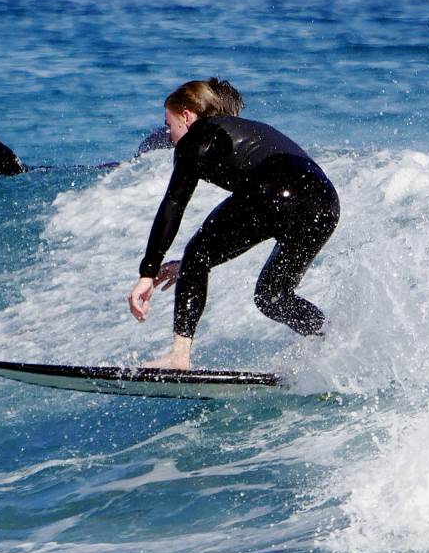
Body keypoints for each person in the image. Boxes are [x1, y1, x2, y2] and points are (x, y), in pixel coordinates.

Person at [127, 80, 339, 369]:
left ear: (186, 116)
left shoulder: (198, 135)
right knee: (272, 296)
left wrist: (148, 272)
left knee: (198, 253)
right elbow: (266, 211)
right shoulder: (243, 130)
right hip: (324, 203)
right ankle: (333, 343)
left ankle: (179, 356)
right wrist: (192, 265)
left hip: (277, 185)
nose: (170, 135)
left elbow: (173, 204)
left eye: (169, 124)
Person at [0, 80, 244, 175]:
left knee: (21, 173)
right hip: (112, 176)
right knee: (18, 174)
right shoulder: (190, 145)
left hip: (110, 170)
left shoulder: (162, 138)